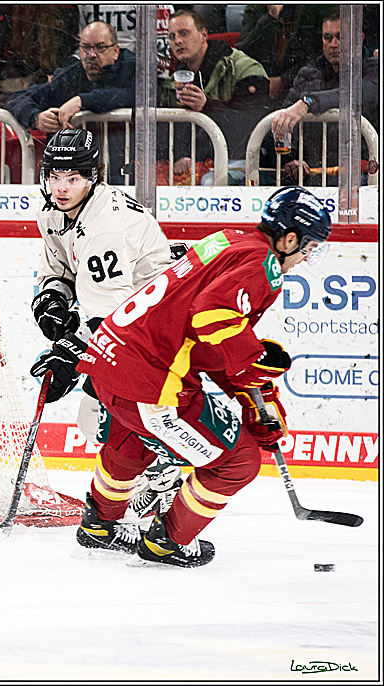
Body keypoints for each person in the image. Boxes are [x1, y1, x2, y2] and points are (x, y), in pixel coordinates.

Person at [75, 186, 333, 567]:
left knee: (134, 440)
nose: (306, 256)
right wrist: (253, 364)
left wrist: (252, 393)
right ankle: (168, 541)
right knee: (238, 461)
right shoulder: (265, 267)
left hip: (110, 359)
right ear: (290, 238)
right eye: (308, 246)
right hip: (150, 380)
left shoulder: (229, 241)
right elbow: (211, 318)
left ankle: (101, 522)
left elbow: (203, 336)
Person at [27, 128, 185, 527]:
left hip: (156, 322)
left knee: (108, 408)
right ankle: (153, 471)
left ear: (92, 177)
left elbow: (112, 322)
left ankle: (163, 472)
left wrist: (71, 352)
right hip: (127, 316)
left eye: (73, 179)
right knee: (98, 413)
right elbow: (61, 268)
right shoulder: (53, 210)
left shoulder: (106, 231)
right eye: (54, 177)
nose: (61, 188)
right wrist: (52, 298)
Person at [160, 8, 271, 185]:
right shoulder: (173, 81)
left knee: (209, 182)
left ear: (204, 34)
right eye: (172, 37)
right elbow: (169, 132)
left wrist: (207, 106)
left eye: (184, 33)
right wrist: (182, 156)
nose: (178, 41)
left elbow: (251, 127)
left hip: (243, 162)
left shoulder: (245, 69)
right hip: (197, 163)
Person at [270, 12, 379, 184]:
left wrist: (308, 103)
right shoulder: (308, 74)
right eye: (327, 38)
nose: (334, 44)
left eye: (341, 37)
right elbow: (282, 123)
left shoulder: (374, 69)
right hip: (311, 176)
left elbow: (359, 95)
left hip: (363, 177)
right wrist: (290, 161)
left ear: (359, 39)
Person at [6, 21, 136, 134]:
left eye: (100, 47)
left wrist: (81, 101)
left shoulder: (132, 66)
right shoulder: (71, 74)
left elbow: (135, 96)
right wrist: (37, 118)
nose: (91, 54)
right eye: (85, 47)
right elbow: (17, 98)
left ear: (116, 51)